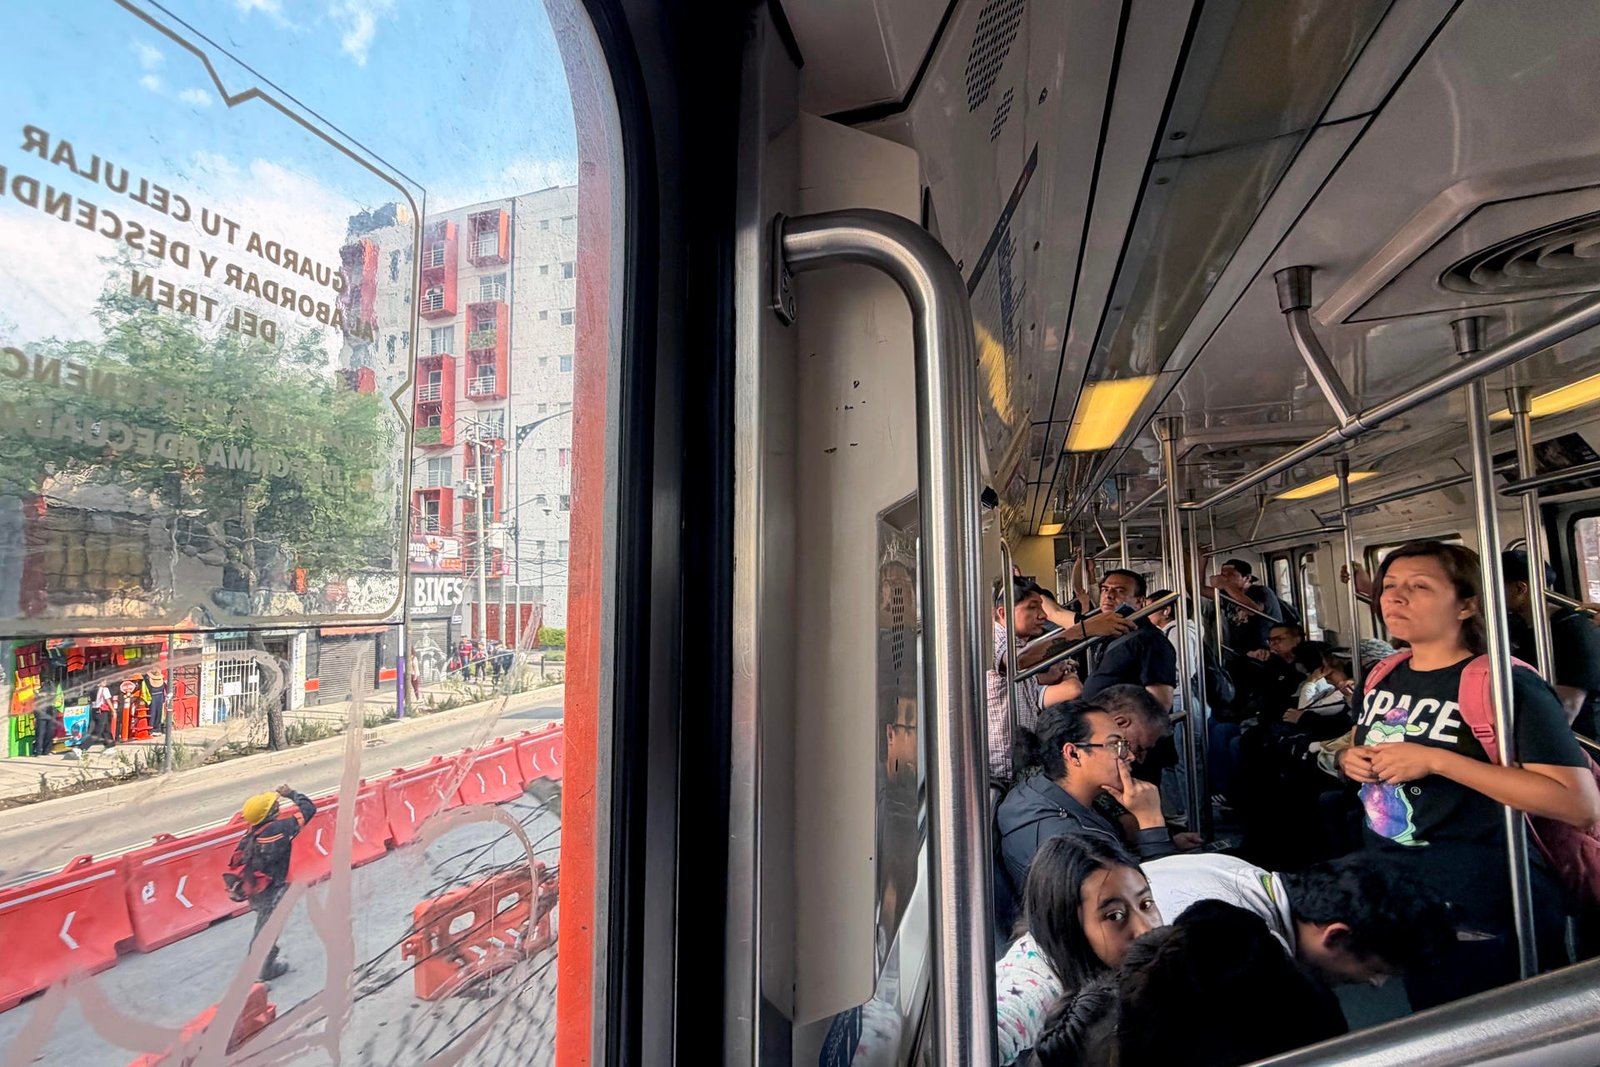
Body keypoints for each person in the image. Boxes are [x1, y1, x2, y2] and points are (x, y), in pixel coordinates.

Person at [1338, 540, 1600, 1007]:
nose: (1395, 597)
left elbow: (1578, 804)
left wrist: (1437, 761)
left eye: (1420, 586)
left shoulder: (1504, 683)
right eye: (1389, 586)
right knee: (1433, 1016)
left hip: (1483, 899)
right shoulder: (1383, 676)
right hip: (1401, 889)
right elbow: (1362, 743)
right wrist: (1349, 760)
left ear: (1467, 605)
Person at [1142, 852, 1453, 987]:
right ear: (1336, 936)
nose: (1375, 982)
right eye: (1376, 970)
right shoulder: (1242, 956)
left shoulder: (1234, 869)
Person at [994, 834, 1161, 1065]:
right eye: (1114, 916)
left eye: (1146, 904)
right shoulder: (1035, 986)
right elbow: (973, 1044)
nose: (1144, 928)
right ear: (1068, 926)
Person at [998, 705, 1177, 894]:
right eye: (1116, 745)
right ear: (1073, 754)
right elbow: (1155, 899)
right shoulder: (1061, 839)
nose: (1130, 756)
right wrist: (1151, 824)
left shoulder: (1049, 791)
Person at [988, 575, 1133, 785]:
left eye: (1041, 606)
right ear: (1003, 613)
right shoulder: (996, 639)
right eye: (1032, 607)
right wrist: (1085, 629)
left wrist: (1050, 675)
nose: (1042, 615)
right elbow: (1018, 661)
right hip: (1002, 765)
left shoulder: (1017, 643)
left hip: (1016, 756)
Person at [1502, 549, 1600, 737]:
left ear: (1520, 589)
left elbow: (1567, 707)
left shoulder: (1574, 629)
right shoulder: (1518, 628)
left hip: (1578, 741)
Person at [232, 783, 317, 980]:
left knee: (266, 925)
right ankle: (262, 970)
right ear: (271, 813)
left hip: (255, 887)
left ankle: (263, 964)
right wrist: (292, 794)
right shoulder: (281, 829)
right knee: (267, 929)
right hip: (272, 890)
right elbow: (308, 809)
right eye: (275, 806)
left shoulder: (252, 833)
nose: (278, 806)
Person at [1077, 571, 1177, 710]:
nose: (1109, 595)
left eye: (1119, 591)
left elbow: (1160, 703)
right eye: (1105, 589)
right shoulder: (1110, 633)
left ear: (1139, 601)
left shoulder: (1149, 639)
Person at [1211, 559, 1283, 652]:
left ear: (1247, 578)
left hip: (1262, 653)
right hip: (1240, 653)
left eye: (1231, 575)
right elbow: (1201, 589)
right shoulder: (1228, 594)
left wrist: (1225, 585)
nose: (1225, 578)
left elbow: (1254, 610)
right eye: (1223, 575)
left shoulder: (1262, 591)